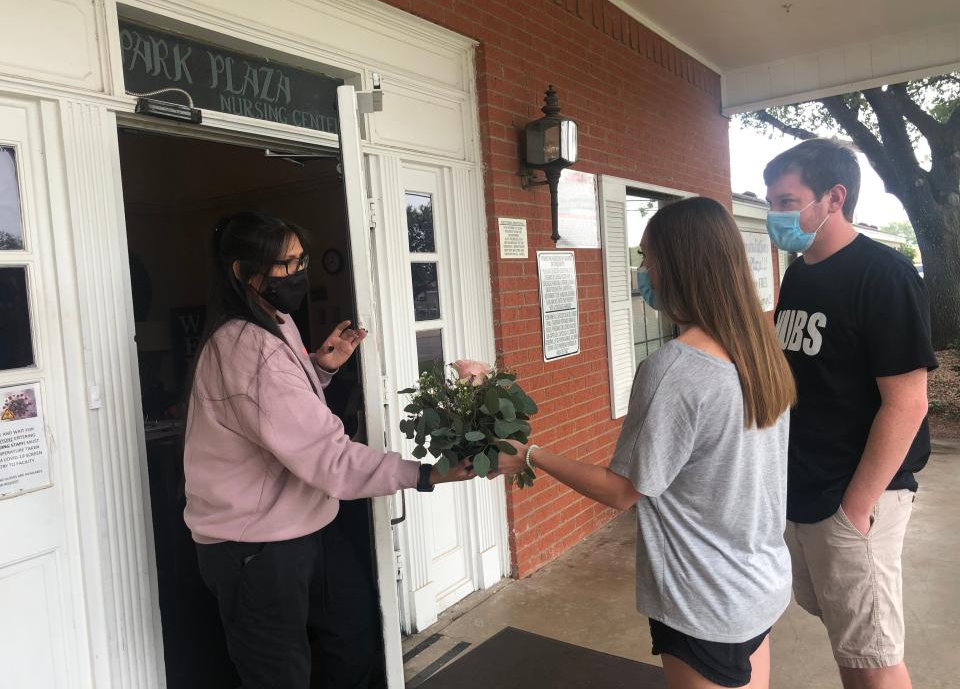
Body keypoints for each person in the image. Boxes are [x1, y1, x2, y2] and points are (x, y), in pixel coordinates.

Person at [497, 197, 796, 689]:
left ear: (678, 267)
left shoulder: (675, 369)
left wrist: (531, 454)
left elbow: (622, 491)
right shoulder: (760, 354)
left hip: (704, 597)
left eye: (647, 259)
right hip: (758, 583)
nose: (642, 271)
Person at [183, 211, 472, 689]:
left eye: (301, 260)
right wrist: (427, 474)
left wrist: (318, 368)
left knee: (353, 632)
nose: (297, 273)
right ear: (242, 272)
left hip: (304, 522)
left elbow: (274, 413)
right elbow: (329, 458)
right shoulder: (246, 348)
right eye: (284, 265)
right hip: (253, 546)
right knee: (280, 674)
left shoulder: (276, 323)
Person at [764, 139, 936, 689]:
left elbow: (908, 402)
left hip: (858, 495)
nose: (776, 213)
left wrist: (856, 509)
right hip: (806, 488)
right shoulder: (799, 274)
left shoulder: (884, 274)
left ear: (834, 197)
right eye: (772, 201)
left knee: (874, 655)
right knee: (850, 640)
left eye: (787, 200)